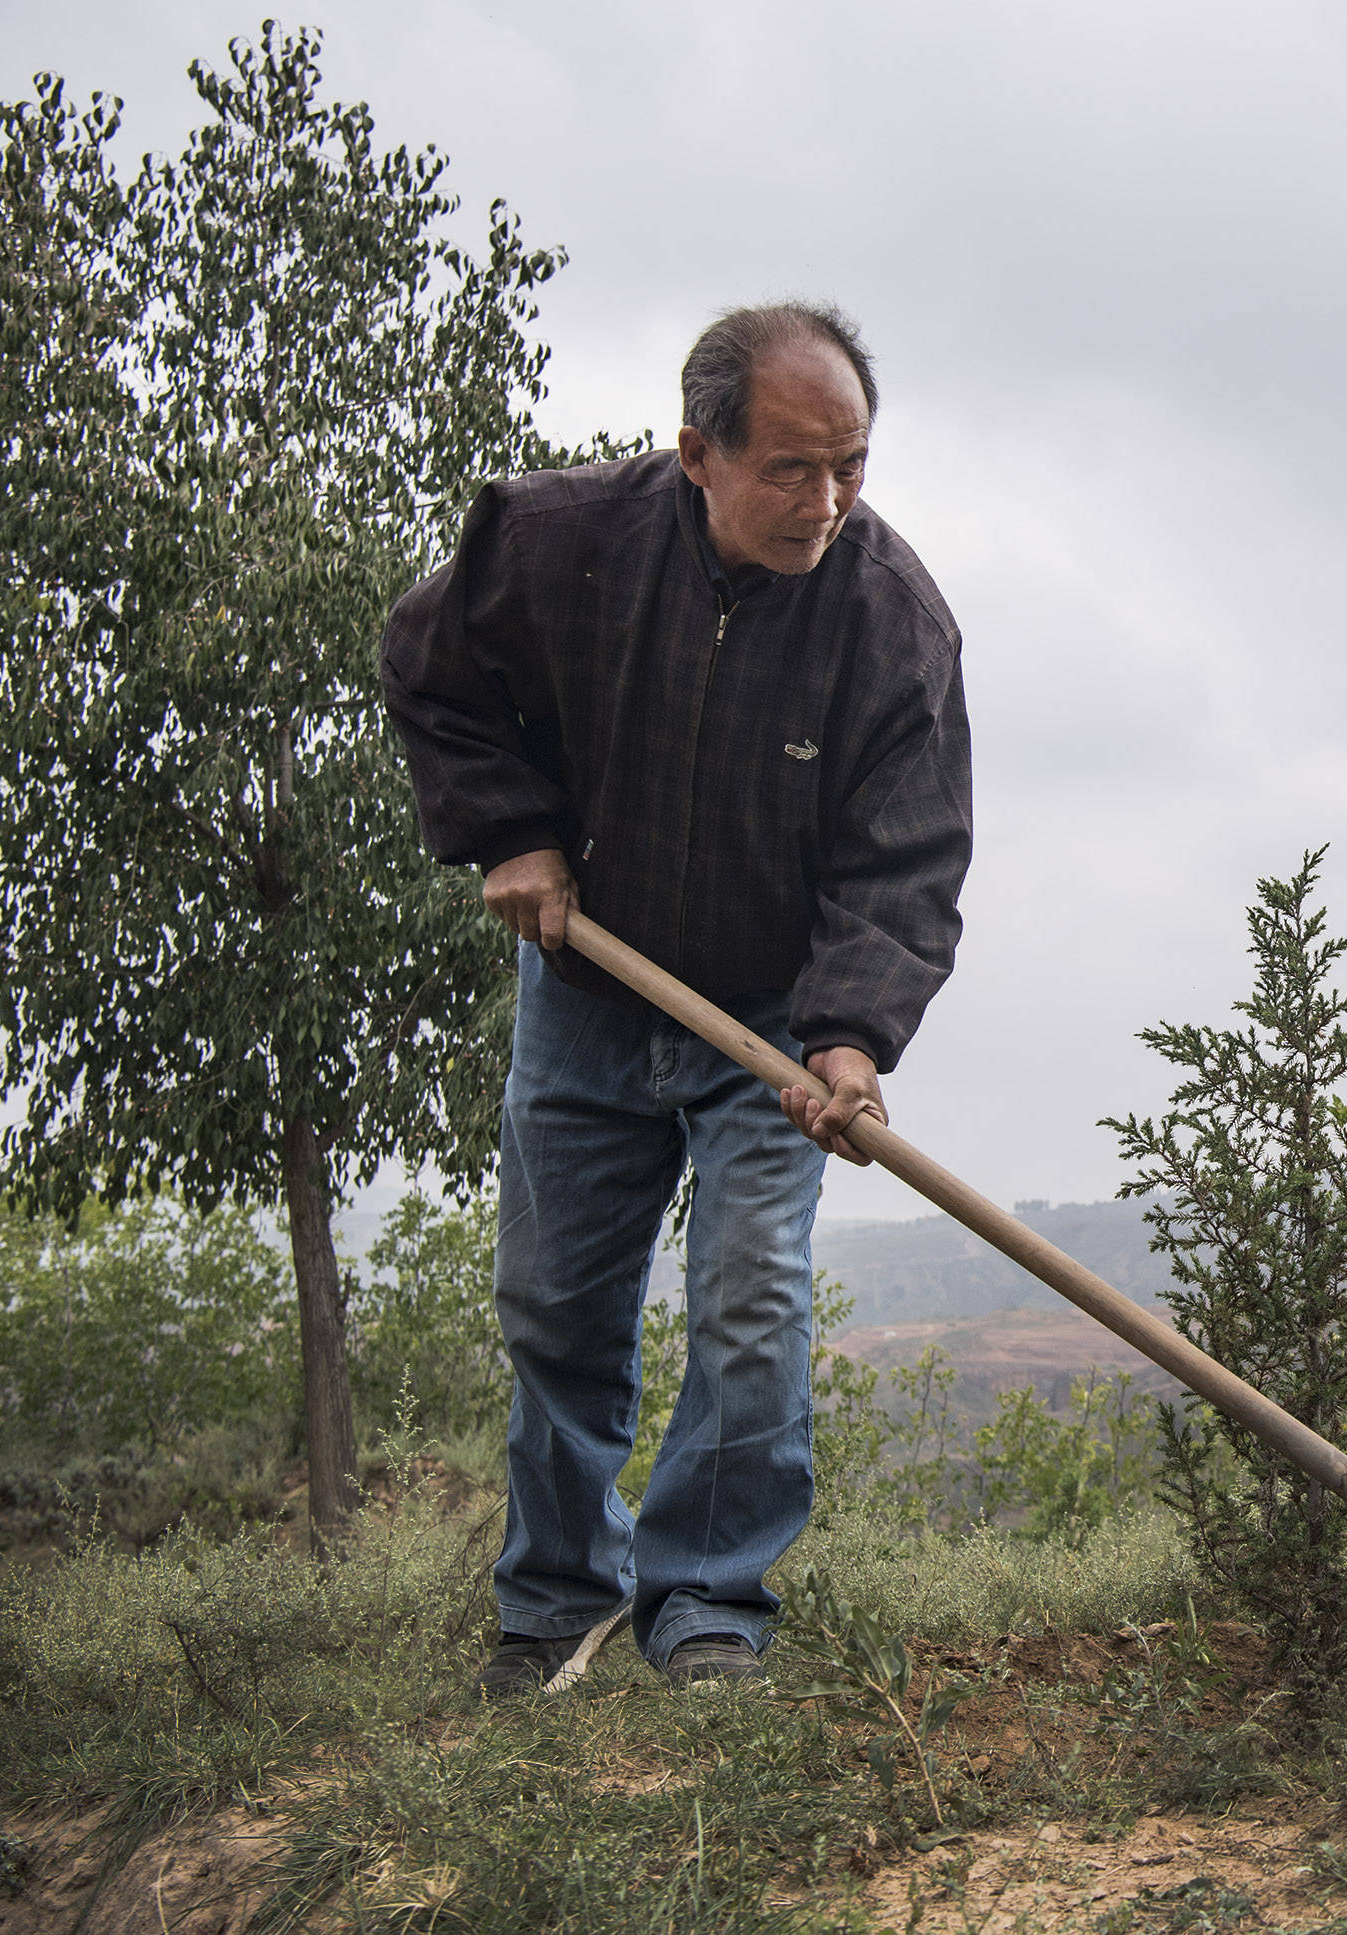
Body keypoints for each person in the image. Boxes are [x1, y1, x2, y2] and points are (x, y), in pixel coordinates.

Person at [381, 303, 971, 1693]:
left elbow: (906, 858)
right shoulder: (553, 541)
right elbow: (430, 669)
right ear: (696, 451)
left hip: (771, 1018)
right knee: (556, 1300)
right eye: (792, 469)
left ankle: (707, 1604)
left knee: (752, 1298)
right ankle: (557, 1604)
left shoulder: (894, 623)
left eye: (853, 468)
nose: (826, 504)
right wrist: (512, 831)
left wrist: (848, 1037)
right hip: (593, 981)